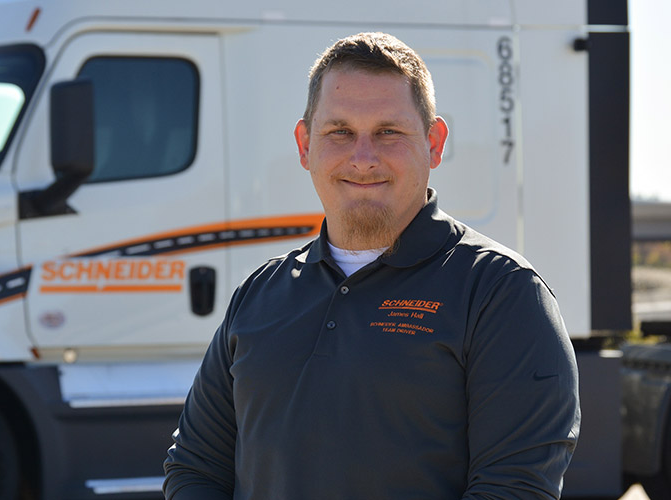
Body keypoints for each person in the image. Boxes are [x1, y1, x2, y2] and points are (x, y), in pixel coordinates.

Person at [163, 32, 580, 499]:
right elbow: (195, 468)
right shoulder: (261, 293)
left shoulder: (501, 292)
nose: (363, 158)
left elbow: (514, 488)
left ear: (434, 143)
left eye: (388, 132)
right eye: (339, 131)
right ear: (305, 145)